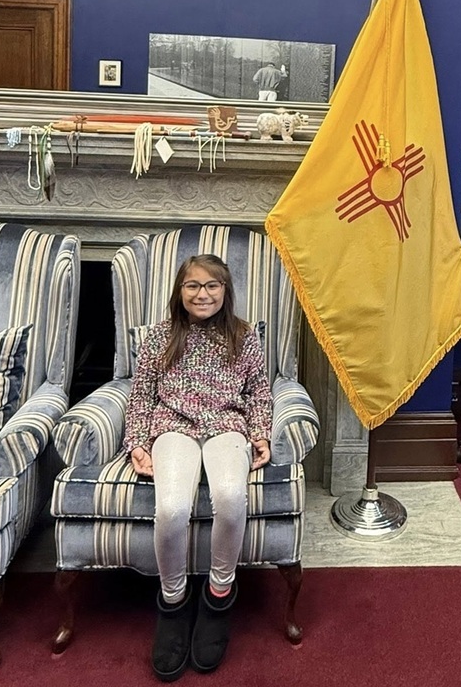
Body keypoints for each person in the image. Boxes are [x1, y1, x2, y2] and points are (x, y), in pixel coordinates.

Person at [124, 253, 272, 682]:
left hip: (227, 426)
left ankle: (218, 595)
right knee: (171, 509)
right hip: (173, 428)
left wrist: (260, 432)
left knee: (229, 497)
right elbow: (140, 394)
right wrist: (137, 442)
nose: (202, 293)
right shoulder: (161, 335)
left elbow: (259, 391)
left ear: (225, 291)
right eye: (193, 285)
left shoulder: (243, 336)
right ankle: (173, 601)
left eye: (212, 285)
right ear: (180, 291)